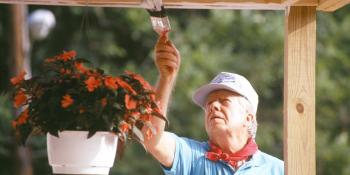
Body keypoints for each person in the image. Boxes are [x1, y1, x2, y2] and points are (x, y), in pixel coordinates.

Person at [143, 33, 284, 175]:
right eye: (209, 103)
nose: (213, 106)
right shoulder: (190, 155)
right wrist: (166, 78)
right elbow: (151, 139)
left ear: (248, 119)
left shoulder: (280, 170)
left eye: (224, 101)